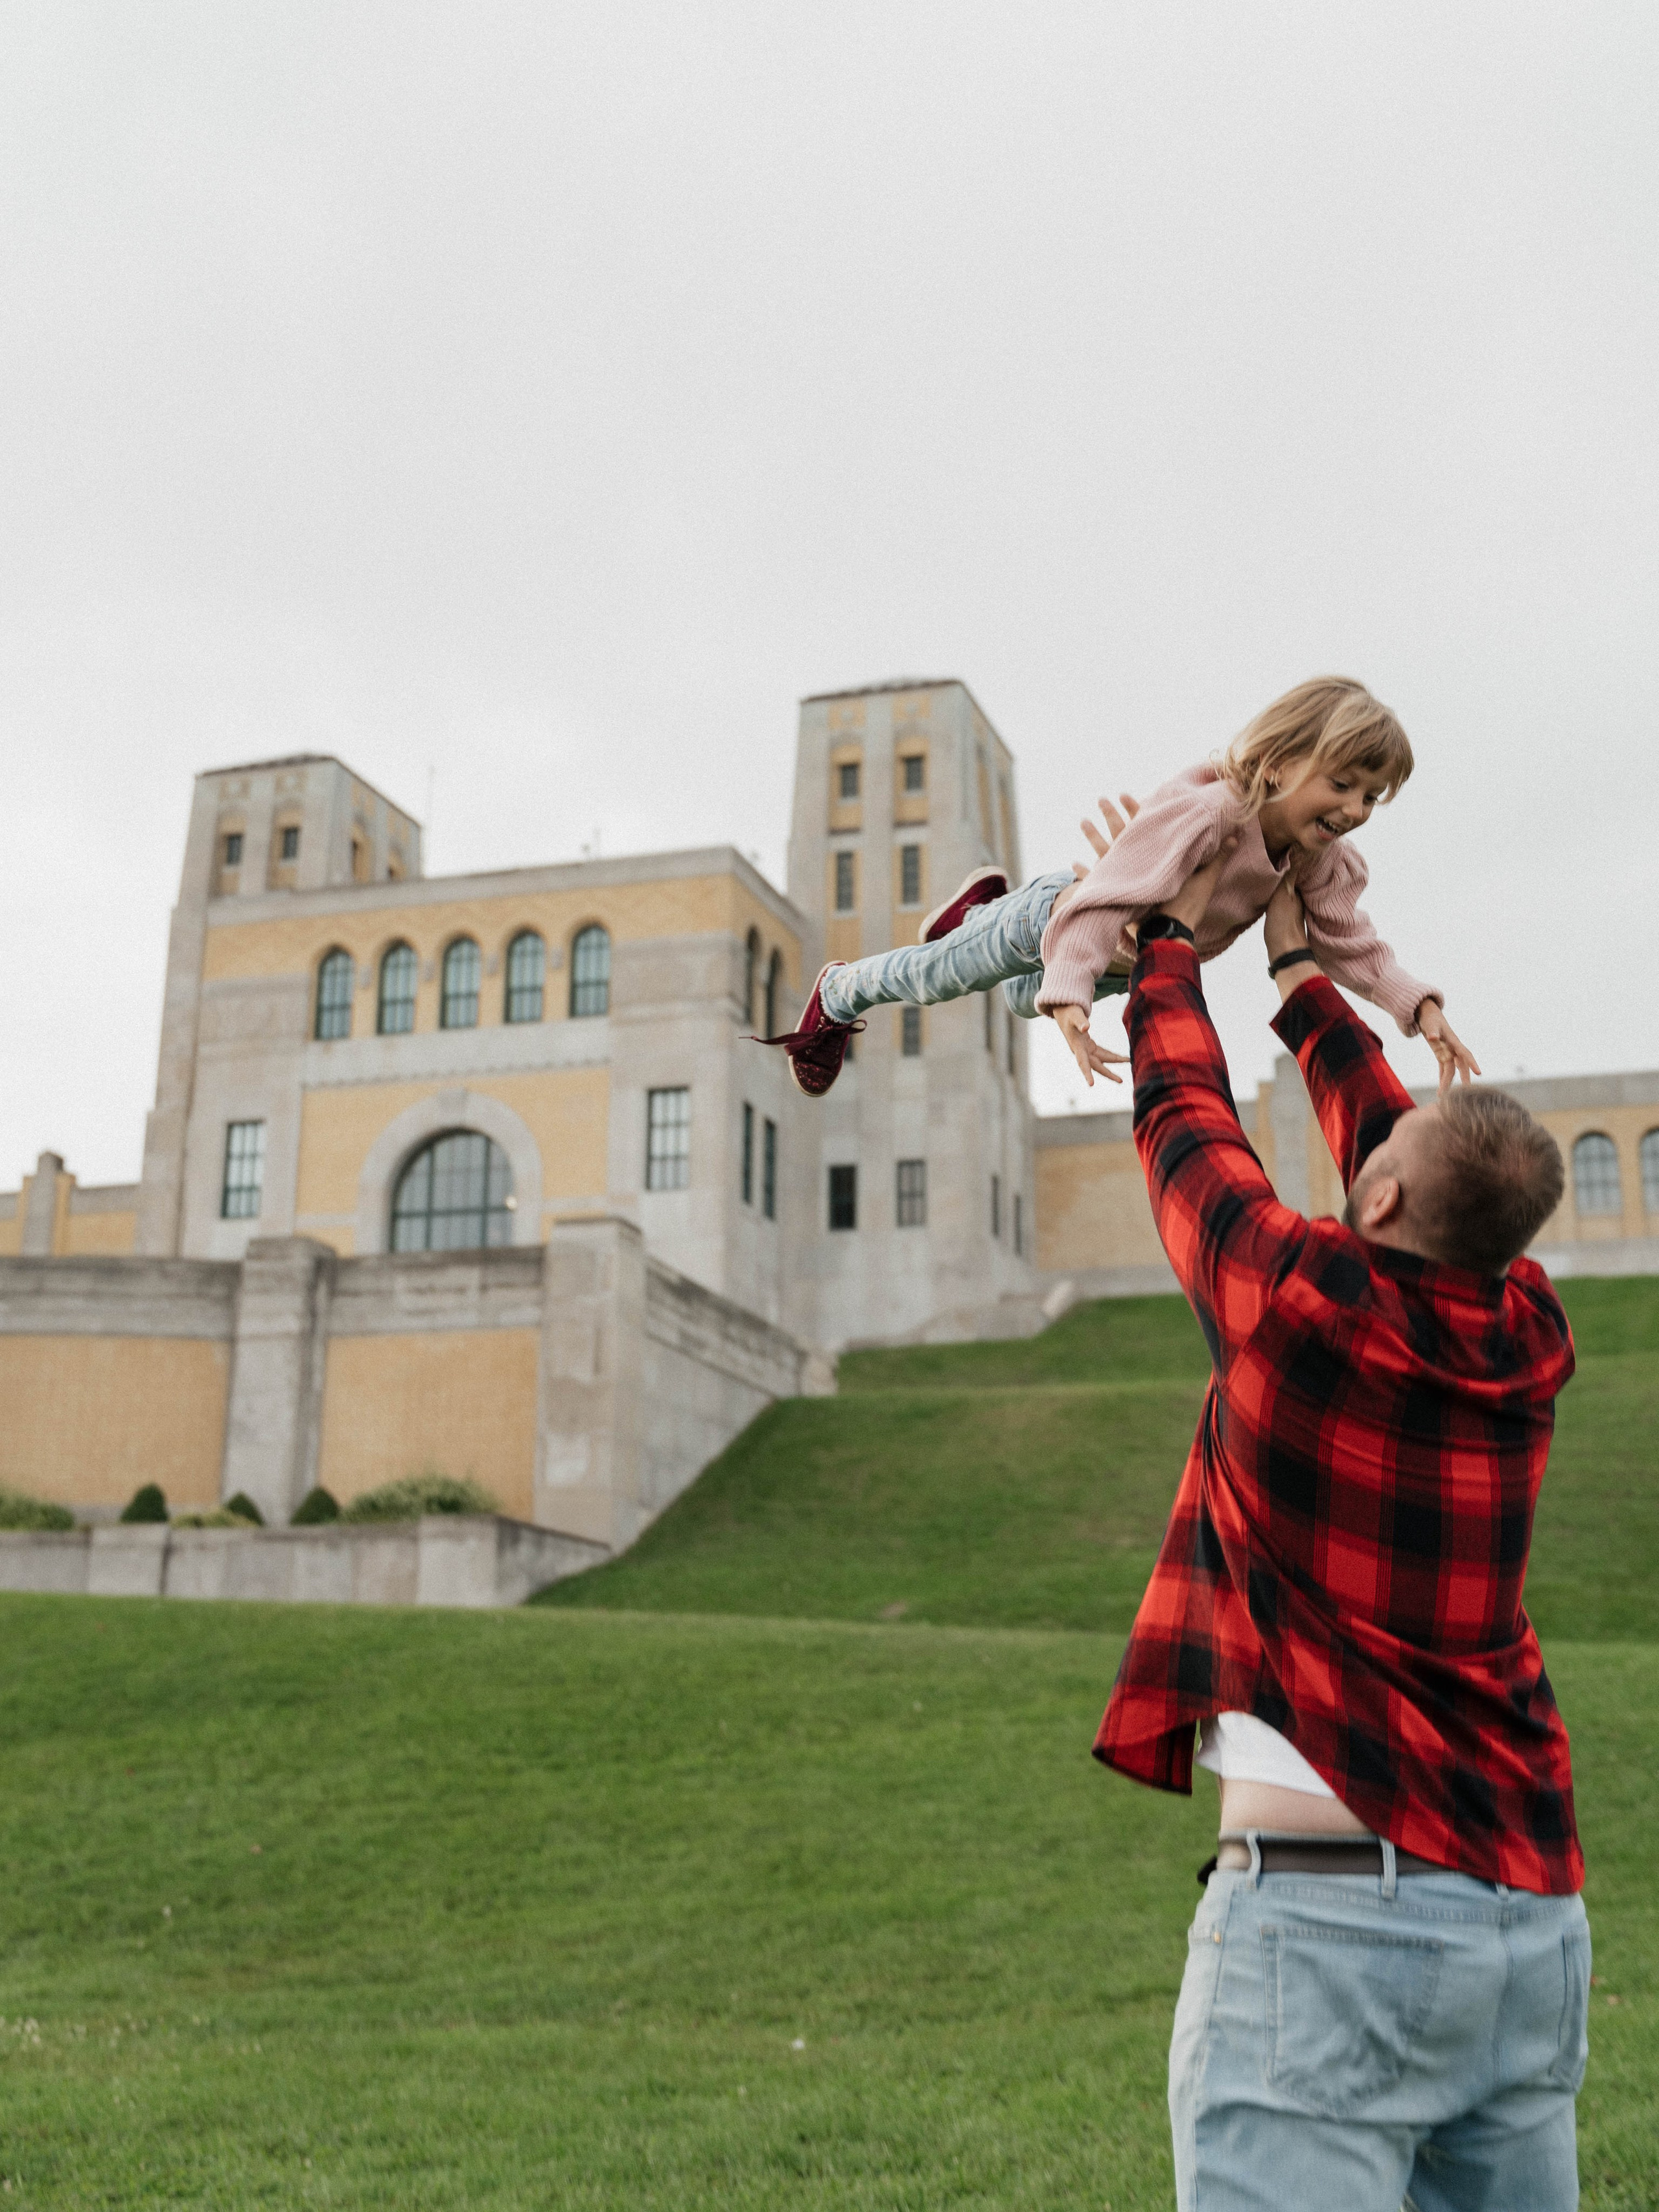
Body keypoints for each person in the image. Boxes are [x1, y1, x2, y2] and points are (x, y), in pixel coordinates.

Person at [1098, 826, 1589, 2211]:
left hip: (1328, 1923)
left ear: (1376, 1194)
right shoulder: (1527, 1331)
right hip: (1526, 1919)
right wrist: (1300, 972)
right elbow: (1413, 1162)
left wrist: (1165, 942)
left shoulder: (1294, 1304)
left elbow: (1182, 1120)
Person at [755, 676, 1479, 1099]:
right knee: (939, 979)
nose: (1355, 810)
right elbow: (1105, 900)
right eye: (1343, 784)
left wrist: (1416, 1005)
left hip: (1120, 963)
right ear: (1281, 762)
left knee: (1018, 1000)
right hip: (1065, 916)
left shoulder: (1322, 860)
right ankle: (840, 991)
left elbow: (1349, 942)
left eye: (1372, 797)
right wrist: (1072, 993)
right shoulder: (1209, 814)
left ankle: (977, 913)